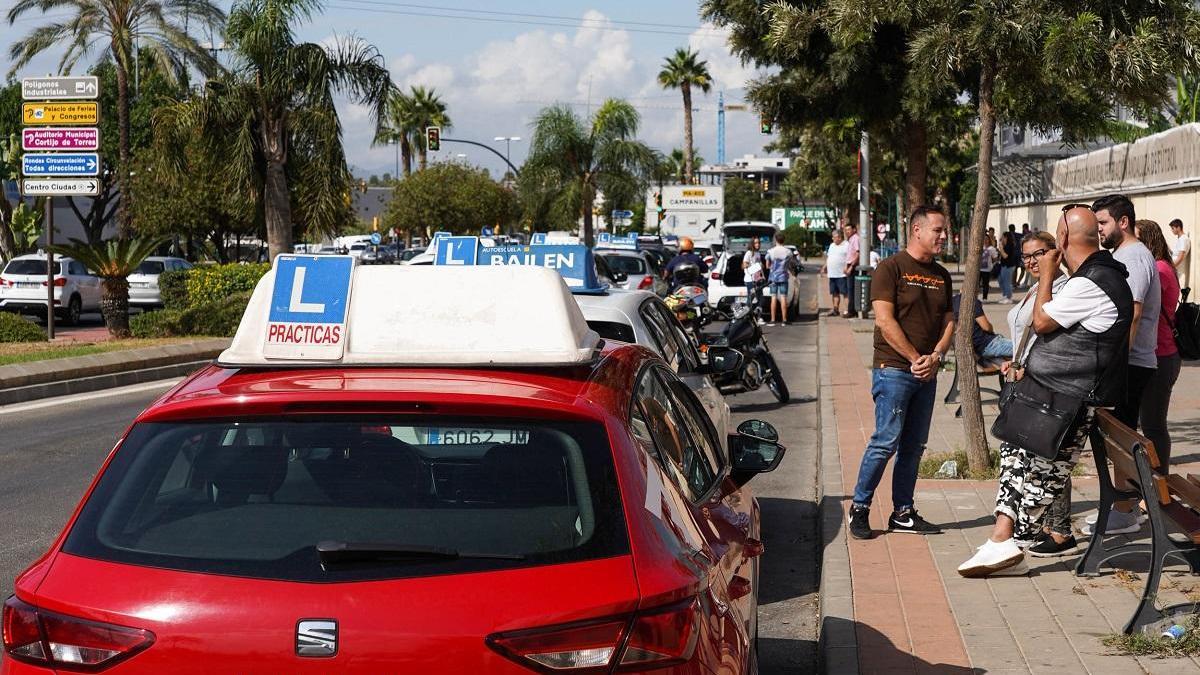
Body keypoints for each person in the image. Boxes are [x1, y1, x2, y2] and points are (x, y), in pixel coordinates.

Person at [958, 206, 1132, 577]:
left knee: (1034, 477)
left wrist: (1049, 275)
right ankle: (1001, 541)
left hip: (1068, 404)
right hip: (1051, 398)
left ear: (1065, 239)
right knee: (1014, 457)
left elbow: (1041, 320)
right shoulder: (1096, 277)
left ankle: (1005, 542)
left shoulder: (1092, 282)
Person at [848, 206, 954, 540]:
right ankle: (860, 509)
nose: (943, 236)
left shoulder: (942, 275)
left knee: (914, 446)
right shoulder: (890, 268)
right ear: (917, 230)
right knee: (885, 441)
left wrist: (935, 355)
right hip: (894, 369)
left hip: (927, 372)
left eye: (944, 230)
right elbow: (884, 319)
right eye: (937, 230)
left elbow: (949, 320)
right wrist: (913, 357)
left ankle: (903, 512)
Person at [1084, 194, 1160, 536]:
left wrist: (1119, 361)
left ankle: (1127, 511)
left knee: (1122, 436)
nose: (1099, 230)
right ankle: (1124, 506)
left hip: (1132, 362)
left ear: (1123, 222)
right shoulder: (1121, 255)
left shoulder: (1136, 256)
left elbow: (1133, 312)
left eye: (1103, 223)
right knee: (1117, 435)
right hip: (1126, 362)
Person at [1003, 230, 1076, 558]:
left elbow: (1050, 336)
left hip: (1042, 383)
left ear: (1055, 253)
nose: (1032, 261)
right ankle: (1049, 524)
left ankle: (1060, 529)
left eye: (1039, 254)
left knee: (1048, 454)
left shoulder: (1063, 289)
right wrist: (1015, 359)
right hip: (1022, 378)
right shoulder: (1037, 285)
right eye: (1027, 256)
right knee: (1034, 455)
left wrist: (1027, 365)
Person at [1135, 219, 1181, 472]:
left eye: (1137, 239)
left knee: (1153, 425)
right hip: (1157, 353)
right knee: (1149, 422)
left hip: (1162, 355)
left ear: (1149, 241)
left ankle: (1159, 485)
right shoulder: (1159, 267)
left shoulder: (1159, 270)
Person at [952, 292, 1013, 363]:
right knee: (1024, 348)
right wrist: (991, 327)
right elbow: (986, 327)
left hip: (979, 346)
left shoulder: (952, 302)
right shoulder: (972, 301)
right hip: (987, 344)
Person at [765, 233, 793, 325]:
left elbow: (767, 265)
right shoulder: (788, 252)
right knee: (783, 298)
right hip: (783, 277)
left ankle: (773, 320)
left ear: (776, 240)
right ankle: (784, 320)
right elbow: (789, 264)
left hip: (773, 277)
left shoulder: (771, 251)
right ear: (783, 240)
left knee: (773, 297)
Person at [823, 228, 851, 317]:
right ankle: (835, 309)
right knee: (834, 292)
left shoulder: (846, 245)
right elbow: (829, 257)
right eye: (833, 237)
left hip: (841, 274)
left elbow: (849, 257)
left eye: (834, 237)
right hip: (832, 273)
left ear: (839, 237)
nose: (833, 239)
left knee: (844, 293)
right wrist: (824, 267)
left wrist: (847, 267)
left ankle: (847, 310)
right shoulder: (832, 245)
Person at [743, 236, 766, 323]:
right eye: (756, 243)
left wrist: (761, 271)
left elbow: (760, 266)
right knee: (751, 298)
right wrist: (754, 267)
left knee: (760, 298)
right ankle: (747, 316)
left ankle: (758, 317)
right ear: (752, 244)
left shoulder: (758, 253)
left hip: (758, 279)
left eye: (759, 243)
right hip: (751, 280)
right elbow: (745, 264)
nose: (758, 244)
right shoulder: (749, 253)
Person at [844, 222, 861, 316]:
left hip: (854, 267)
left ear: (854, 230)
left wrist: (851, 267)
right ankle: (852, 310)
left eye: (849, 229)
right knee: (850, 289)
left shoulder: (855, 239)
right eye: (846, 230)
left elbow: (858, 254)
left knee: (852, 290)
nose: (847, 232)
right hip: (850, 265)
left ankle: (852, 311)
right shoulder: (850, 239)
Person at [997, 230, 1018, 303]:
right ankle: (1005, 295)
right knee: (1000, 280)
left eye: (1002, 237)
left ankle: (1008, 298)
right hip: (1004, 266)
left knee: (1007, 282)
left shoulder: (1010, 245)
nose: (1001, 238)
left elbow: (1005, 256)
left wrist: (1001, 248)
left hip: (1009, 266)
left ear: (1006, 238)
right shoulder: (1005, 245)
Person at [1170, 218, 1190, 287]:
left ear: (1178, 228)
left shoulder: (1183, 239)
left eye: (1173, 228)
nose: (1171, 230)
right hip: (1175, 270)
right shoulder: (1180, 239)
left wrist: (1170, 266)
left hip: (1178, 271)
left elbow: (1180, 257)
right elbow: (1175, 253)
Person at [980, 234, 998, 301]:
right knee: (976, 285)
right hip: (978, 269)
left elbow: (995, 258)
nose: (985, 240)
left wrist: (991, 263)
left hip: (987, 270)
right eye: (984, 239)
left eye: (987, 239)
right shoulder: (979, 247)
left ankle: (985, 298)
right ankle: (975, 298)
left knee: (985, 284)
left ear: (989, 240)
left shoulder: (991, 249)